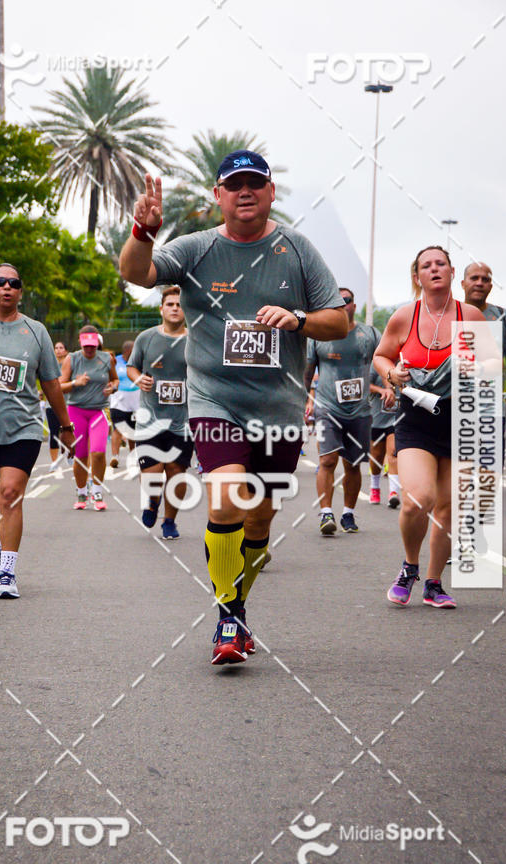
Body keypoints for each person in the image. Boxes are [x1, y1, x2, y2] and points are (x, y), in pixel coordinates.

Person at [119, 150, 348, 665]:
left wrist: (298, 319)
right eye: (234, 185)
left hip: (279, 408)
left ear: (270, 194)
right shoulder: (197, 249)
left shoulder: (296, 249)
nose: (245, 193)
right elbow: (138, 273)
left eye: (255, 184)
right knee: (225, 500)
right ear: (217, 196)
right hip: (214, 400)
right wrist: (141, 230)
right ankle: (228, 616)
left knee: (260, 523)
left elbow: (339, 322)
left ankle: (238, 602)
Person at [373, 246, 484, 610]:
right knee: (417, 499)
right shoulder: (405, 316)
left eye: (440, 264)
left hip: (459, 418)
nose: (434, 269)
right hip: (415, 420)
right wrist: (392, 374)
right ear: (417, 276)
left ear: (452, 272)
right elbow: (381, 355)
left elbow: (486, 365)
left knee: (448, 508)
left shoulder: (471, 316)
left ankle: (434, 584)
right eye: (426, 265)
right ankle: (410, 566)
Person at [0, 263, 74, 598]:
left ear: (20, 292)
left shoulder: (36, 331)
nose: (7, 287)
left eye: (14, 283)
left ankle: (8, 575)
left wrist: (65, 426)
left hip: (23, 427)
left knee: (9, 495)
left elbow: (51, 383)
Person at [304, 288, 381, 534]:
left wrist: (390, 388)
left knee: (353, 465)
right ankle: (326, 513)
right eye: (335, 301)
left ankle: (348, 513)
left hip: (360, 411)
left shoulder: (369, 334)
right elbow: (306, 374)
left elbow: (384, 361)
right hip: (327, 408)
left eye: (346, 300)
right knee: (327, 460)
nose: (342, 305)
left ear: (354, 306)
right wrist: (301, 402)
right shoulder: (317, 337)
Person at [127, 286, 192, 539]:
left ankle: (170, 521)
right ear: (161, 309)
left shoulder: (194, 340)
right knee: (152, 475)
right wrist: (138, 379)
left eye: (179, 304)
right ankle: (152, 502)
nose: (175, 308)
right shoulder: (146, 338)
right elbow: (132, 367)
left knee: (176, 473)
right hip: (150, 420)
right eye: (170, 304)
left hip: (182, 422)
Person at [462, 261, 506, 453]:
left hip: (490, 409)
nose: (479, 283)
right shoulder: (451, 313)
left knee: (487, 476)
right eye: (474, 278)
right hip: (453, 407)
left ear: (491, 286)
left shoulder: (502, 317)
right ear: (462, 283)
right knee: (456, 474)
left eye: (485, 279)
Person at [60, 325, 118, 511]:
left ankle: (98, 490)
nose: (89, 349)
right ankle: (81, 490)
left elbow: (115, 380)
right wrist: (75, 383)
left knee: (99, 452)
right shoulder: (72, 358)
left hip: (98, 411)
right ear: (80, 343)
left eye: (92, 345)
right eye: (86, 345)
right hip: (76, 410)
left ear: (98, 343)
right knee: (81, 455)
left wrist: (113, 387)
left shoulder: (106, 359)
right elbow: (59, 386)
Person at [368, 364, 401, 507]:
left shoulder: (405, 364)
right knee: (376, 457)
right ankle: (374, 487)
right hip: (377, 418)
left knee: (393, 452)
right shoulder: (376, 365)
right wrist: (381, 390)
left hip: (396, 418)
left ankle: (393, 492)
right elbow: (365, 385)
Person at [109, 340, 139, 468]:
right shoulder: (116, 361)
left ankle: (133, 455)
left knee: (132, 430)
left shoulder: (138, 361)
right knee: (118, 428)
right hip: (118, 401)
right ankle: (115, 456)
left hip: (136, 401)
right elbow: (111, 377)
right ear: (128, 351)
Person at [44, 340, 69, 467]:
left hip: (67, 403)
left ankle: (70, 457)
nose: (58, 350)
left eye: (61, 347)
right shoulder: (49, 364)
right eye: (56, 347)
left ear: (66, 350)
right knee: (54, 433)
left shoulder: (69, 364)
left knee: (68, 431)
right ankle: (54, 462)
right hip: (51, 404)